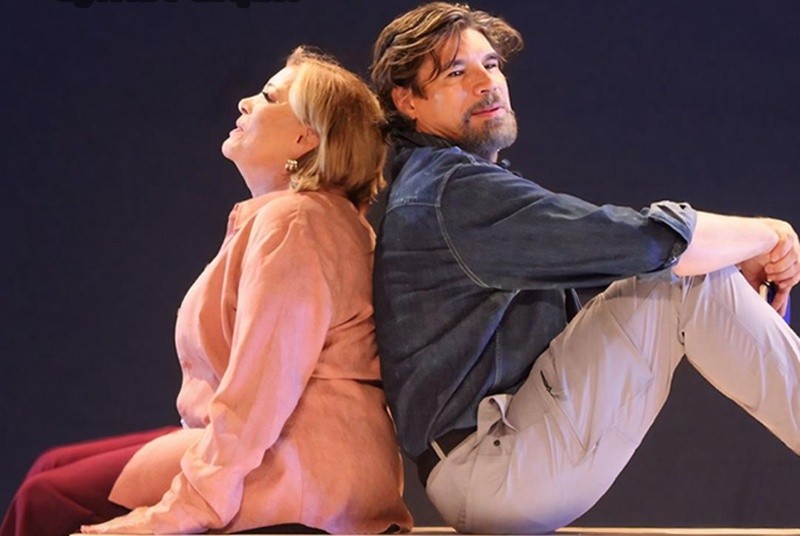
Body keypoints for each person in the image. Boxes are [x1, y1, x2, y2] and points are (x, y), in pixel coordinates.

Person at [369, 3, 800, 534]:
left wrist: (729, 256)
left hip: (494, 465)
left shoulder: (440, 188)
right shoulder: (450, 192)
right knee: (683, 277)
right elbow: (647, 242)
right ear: (407, 101)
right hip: (495, 469)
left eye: (492, 64)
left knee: (684, 269)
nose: (486, 82)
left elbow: (625, 263)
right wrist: (769, 233)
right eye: (456, 72)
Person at [2, 47, 412, 536]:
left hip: (303, 464)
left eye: (268, 97)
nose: (244, 102)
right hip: (305, 447)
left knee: (45, 500)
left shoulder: (297, 223)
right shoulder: (309, 217)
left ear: (306, 137)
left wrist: (190, 505)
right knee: (51, 466)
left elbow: (262, 392)